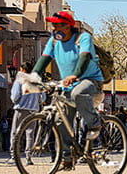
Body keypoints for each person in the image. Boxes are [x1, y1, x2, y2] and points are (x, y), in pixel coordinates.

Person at [31, 10, 104, 158]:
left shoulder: (83, 38)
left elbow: (84, 57)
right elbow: (44, 59)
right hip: (67, 86)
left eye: (56, 26)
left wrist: (75, 75)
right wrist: (33, 76)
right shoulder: (54, 41)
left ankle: (94, 124)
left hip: (90, 82)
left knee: (79, 93)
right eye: (52, 25)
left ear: (67, 27)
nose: (53, 29)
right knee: (60, 120)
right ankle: (67, 156)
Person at [9, 61, 45, 163]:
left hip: (21, 109)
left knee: (16, 133)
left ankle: (14, 155)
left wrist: (16, 101)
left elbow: (15, 96)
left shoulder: (20, 80)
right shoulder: (36, 81)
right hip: (33, 111)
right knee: (30, 134)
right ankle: (28, 157)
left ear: (23, 70)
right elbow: (43, 97)